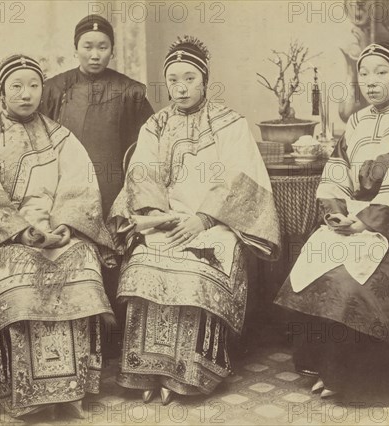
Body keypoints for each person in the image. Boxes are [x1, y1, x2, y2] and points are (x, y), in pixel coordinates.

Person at [274, 42, 389, 402]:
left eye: (381, 72)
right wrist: (335, 214)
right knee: (314, 263)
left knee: (354, 281)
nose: (371, 81)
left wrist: (367, 221)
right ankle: (329, 369)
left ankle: (363, 381)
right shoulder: (358, 121)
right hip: (356, 220)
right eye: (364, 73)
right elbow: (336, 172)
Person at [0, 54, 117, 419]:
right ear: (2, 93)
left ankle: (73, 389)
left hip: (56, 230)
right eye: (16, 86)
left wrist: (66, 224)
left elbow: (79, 186)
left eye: (33, 85)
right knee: (14, 278)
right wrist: (20, 230)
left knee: (82, 262)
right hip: (3, 237)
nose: (26, 94)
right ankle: (20, 390)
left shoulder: (60, 136)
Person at [107, 36, 281, 405]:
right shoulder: (155, 125)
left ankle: (188, 372)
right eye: (173, 80)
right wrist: (155, 215)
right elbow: (142, 172)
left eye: (189, 78)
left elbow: (241, 178)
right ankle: (146, 371)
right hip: (164, 219)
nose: (181, 87)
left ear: (204, 80)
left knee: (195, 268)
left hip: (216, 222)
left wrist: (202, 219)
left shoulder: (229, 123)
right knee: (145, 261)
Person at [39, 14, 154, 216]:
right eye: (87, 47)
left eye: (103, 47)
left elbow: (148, 146)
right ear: (75, 49)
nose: (95, 55)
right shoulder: (54, 89)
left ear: (112, 51)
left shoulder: (130, 91)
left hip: (115, 189)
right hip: (65, 188)